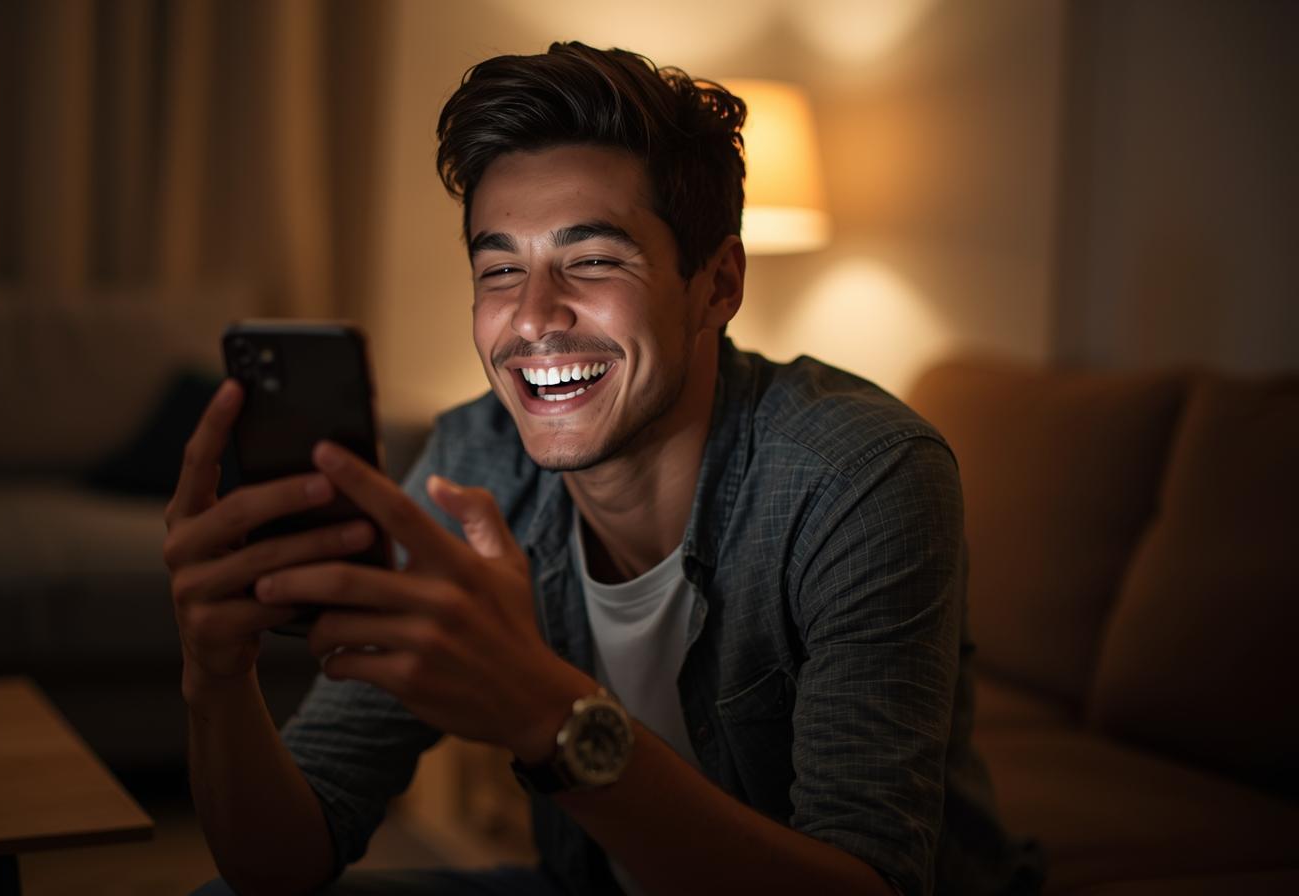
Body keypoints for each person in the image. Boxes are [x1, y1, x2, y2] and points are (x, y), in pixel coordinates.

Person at [165, 42, 1044, 896]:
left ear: (718, 284)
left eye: (590, 260)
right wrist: (215, 672)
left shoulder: (862, 478)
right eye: (500, 268)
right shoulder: (475, 461)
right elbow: (281, 859)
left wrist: (545, 714)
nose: (534, 319)